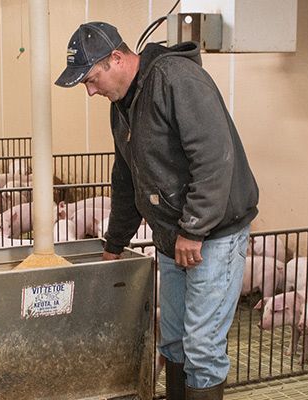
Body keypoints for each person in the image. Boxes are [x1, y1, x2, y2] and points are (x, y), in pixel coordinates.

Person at [55, 22, 259, 400]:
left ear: (116, 58)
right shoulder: (123, 106)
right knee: (175, 340)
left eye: (92, 78)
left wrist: (194, 230)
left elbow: (214, 158)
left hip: (212, 235)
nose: (90, 90)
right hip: (171, 236)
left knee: (202, 348)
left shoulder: (177, 79)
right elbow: (127, 178)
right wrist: (114, 242)